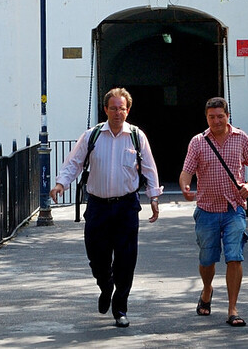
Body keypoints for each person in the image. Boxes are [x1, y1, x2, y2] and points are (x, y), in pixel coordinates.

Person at [50, 88, 162, 328]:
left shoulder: (136, 136)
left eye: (122, 108)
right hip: (98, 206)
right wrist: (61, 184)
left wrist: (153, 197)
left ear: (128, 110)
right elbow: (74, 162)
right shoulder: (92, 136)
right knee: (96, 256)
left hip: (126, 207)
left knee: (126, 259)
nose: (118, 113)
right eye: (113, 108)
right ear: (106, 110)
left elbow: (149, 169)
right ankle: (105, 284)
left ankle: (120, 307)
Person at [179, 97, 248, 327]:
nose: (216, 121)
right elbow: (187, 170)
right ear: (206, 118)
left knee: (234, 256)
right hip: (206, 209)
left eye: (220, 116)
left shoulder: (241, 138)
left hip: (233, 209)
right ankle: (207, 289)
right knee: (207, 259)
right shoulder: (198, 142)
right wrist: (185, 186)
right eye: (211, 117)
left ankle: (232, 308)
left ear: (227, 116)